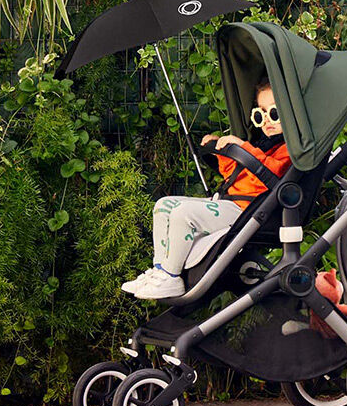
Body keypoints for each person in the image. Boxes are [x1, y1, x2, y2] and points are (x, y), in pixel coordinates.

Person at [122, 78, 291, 299]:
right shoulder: (261, 145)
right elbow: (236, 174)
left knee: (183, 214)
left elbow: (274, 173)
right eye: (260, 115)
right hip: (230, 202)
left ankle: (172, 277)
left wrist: (244, 148)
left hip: (251, 211)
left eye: (274, 114)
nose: (267, 121)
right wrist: (220, 150)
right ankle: (161, 269)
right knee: (163, 205)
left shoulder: (289, 150)